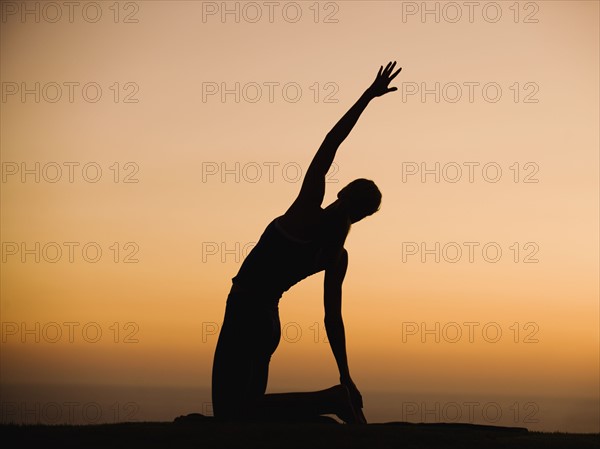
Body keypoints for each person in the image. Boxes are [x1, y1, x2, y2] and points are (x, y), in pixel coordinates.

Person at [211, 61, 402, 424]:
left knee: (231, 415)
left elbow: (332, 141)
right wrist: (346, 374)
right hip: (267, 321)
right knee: (245, 415)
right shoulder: (336, 254)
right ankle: (332, 398)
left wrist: (367, 96)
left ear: (343, 191)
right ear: (362, 217)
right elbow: (333, 319)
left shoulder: (307, 210)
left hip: (245, 311)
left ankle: (330, 399)